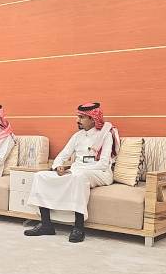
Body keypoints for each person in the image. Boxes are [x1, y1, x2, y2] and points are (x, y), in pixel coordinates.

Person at [25, 102, 120, 243]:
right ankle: (46, 224)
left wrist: (74, 170)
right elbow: (62, 155)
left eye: (81, 117)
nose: (77, 120)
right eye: (78, 117)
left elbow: (103, 163)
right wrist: (58, 167)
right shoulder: (77, 136)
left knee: (79, 177)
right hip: (75, 172)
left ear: (92, 119)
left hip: (100, 172)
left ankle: (78, 228)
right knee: (40, 176)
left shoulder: (105, 135)